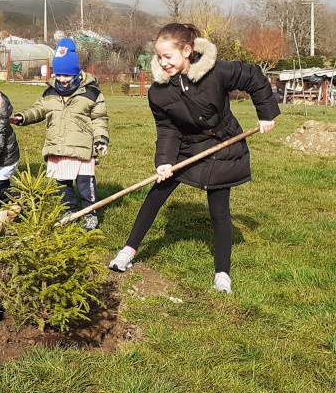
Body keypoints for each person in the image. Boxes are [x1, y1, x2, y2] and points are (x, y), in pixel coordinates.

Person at [108, 23, 278, 293]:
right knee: (156, 194)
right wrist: (164, 161)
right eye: (159, 57)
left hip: (223, 145)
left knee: (219, 211)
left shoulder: (216, 72)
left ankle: (222, 274)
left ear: (187, 51)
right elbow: (167, 129)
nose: (163, 63)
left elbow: (253, 77)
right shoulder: (158, 92)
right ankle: (128, 251)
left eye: (168, 57)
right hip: (187, 146)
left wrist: (266, 113)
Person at [10, 39, 109, 228]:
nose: (62, 79)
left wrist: (101, 139)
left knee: (85, 185)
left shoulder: (91, 93)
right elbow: (38, 109)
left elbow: (100, 118)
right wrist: (22, 117)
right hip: (58, 146)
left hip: (83, 149)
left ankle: (90, 213)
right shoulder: (50, 92)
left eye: (67, 74)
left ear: (76, 72)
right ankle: (68, 211)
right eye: (59, 74)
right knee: (62, 185)